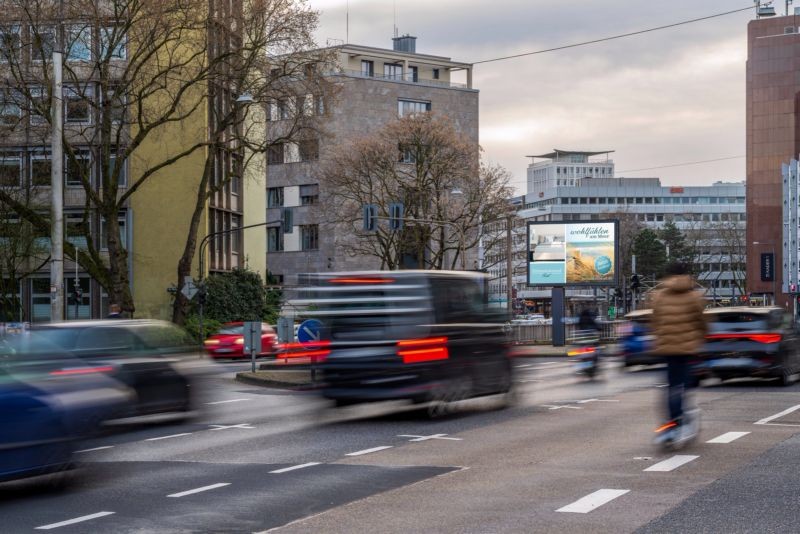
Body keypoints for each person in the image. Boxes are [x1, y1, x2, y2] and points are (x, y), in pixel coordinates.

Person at [649, 262, 707, 442]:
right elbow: (701, 322)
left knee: (671, 386)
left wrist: (659, 337)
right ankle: (684, 419)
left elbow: (655, 321)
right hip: (689, 349)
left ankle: (671, 422)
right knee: (686, 385)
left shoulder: (658, 296)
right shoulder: (694, 296)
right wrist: (702, 336)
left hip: (667, 348)